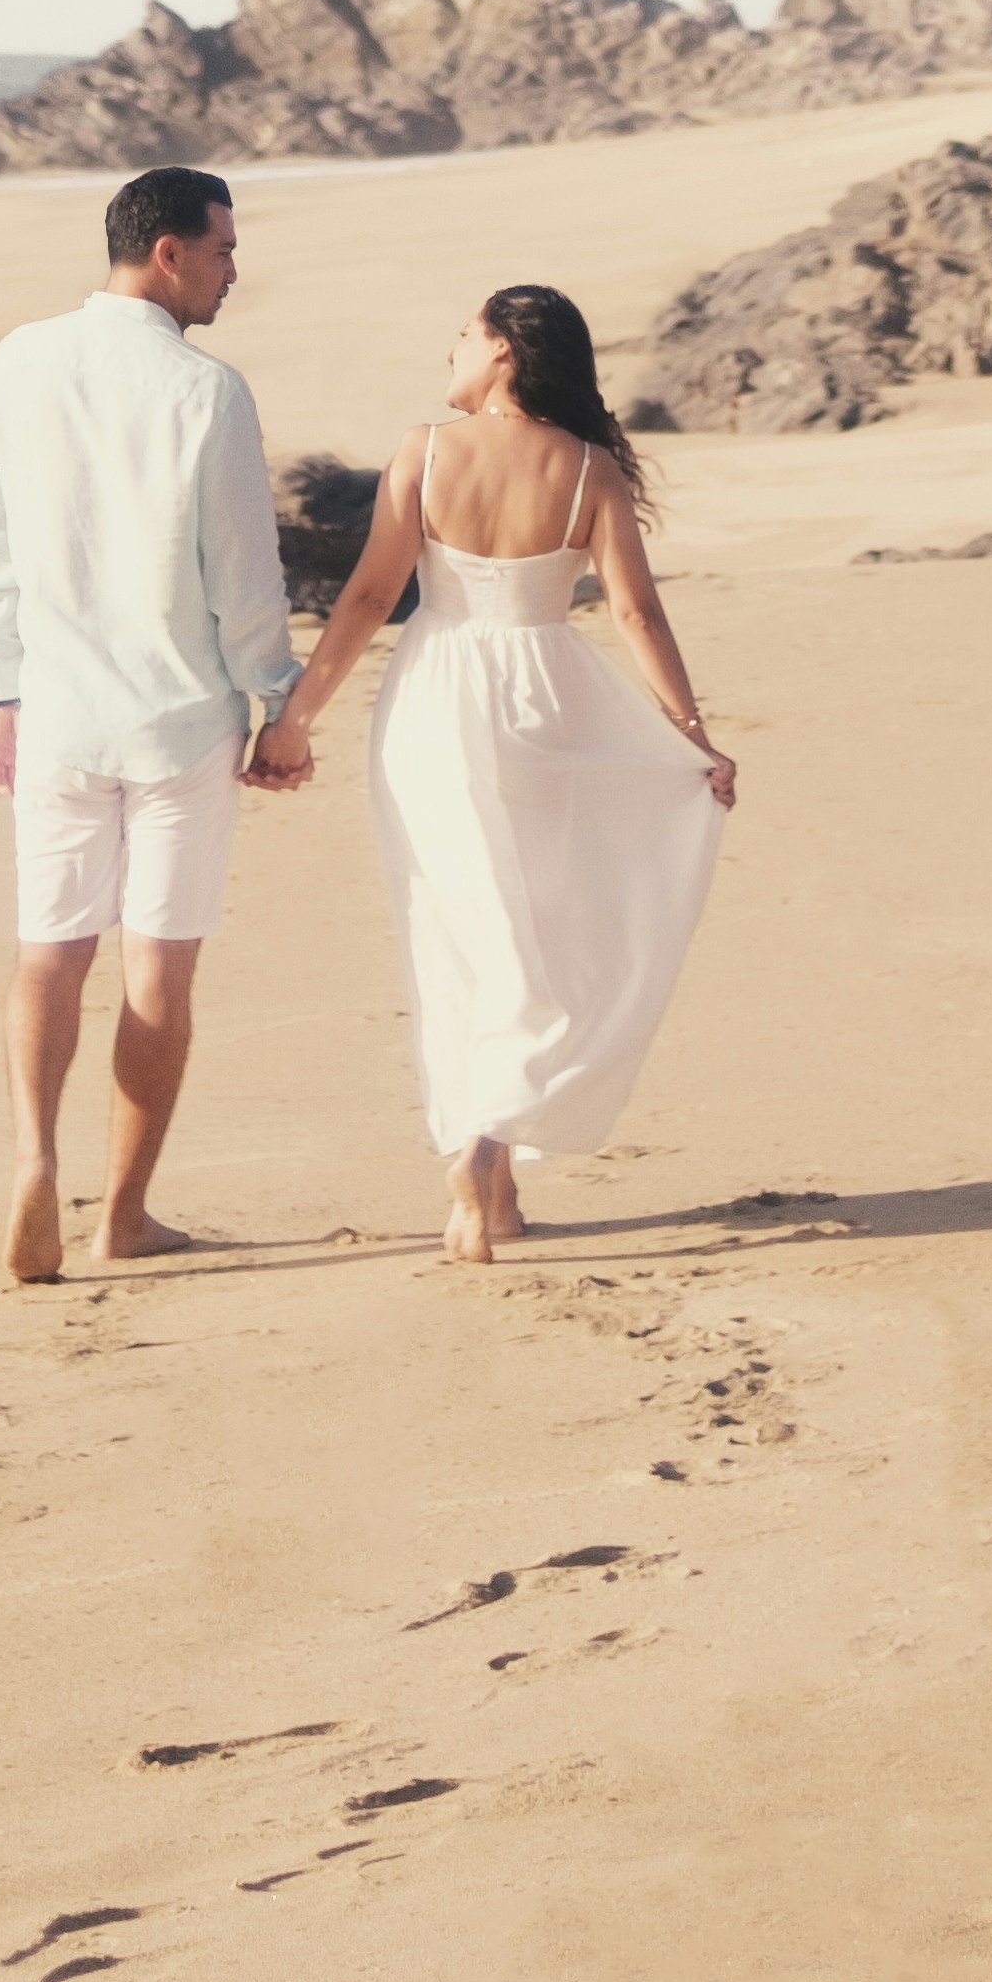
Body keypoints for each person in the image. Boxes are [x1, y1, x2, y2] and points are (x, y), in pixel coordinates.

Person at [261, 279, 734, 1266]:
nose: (453, 348)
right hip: (549, 700)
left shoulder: (424, 451)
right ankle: (500, 1175)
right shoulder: (588, 468)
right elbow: (637, 615)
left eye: (465, 334)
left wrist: (296, 720)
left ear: (503, 353)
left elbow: (366, 599)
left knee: (453, 929)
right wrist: (691, 736)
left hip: (433, 699)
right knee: (539, 928)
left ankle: (474, 1156)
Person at [0, 163, 302, 1286]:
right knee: (157, 975)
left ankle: (28, 1161)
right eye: (220, 251)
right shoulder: (207, 393)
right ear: (165, 251)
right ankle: (125, 1216)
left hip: (55, 715)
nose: (230, 272)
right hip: (177, 726)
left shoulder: (17, 360)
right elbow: (243, 572)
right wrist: (275, 703)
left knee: (46, 954)